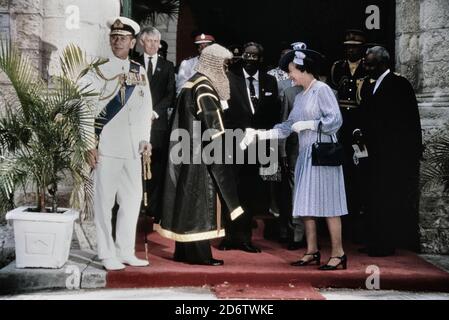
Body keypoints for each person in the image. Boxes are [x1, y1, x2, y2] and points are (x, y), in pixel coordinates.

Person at [242, 45, 348, 270]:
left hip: (322, 154)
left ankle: (338, 253)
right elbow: (288, 126)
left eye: (291, 70)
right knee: (306, 205)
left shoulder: (322, 90)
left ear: (304, 69)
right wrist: (261, 134)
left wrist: (311, 124)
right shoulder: (300, 96)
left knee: (329, 205)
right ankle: (311, 251)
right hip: (305, 155)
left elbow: (335, 121)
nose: (289, 75)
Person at [155, 44, 244, 266]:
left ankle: (184, 252)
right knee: (201, 205)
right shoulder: (204, 87)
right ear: (214, 64)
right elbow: (213, 127)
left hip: (186, 152)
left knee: (186, 203)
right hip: (200, 156)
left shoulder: (191, 82)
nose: (225, 71)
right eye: (223, 65)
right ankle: (200, 255)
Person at [82, 17, 153, 271]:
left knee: (132, 200)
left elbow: (146, 108)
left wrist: (146, 139)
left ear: (133, 42)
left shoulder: (139, 70)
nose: (117, 41)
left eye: (123, 38)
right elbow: (85, 109)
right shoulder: (97, 69)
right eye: (114, 37)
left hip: (133, 149)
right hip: (107, 147)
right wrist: (89, 143)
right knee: (104, 203)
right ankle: (106, 253)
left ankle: (125, 251)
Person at [357, 46, 423, 256]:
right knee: (372, 196)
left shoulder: (399, 84)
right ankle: (374, 239)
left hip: (392, 155)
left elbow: (410, 121)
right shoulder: (369, 86)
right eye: (366, 63)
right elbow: (366, 116)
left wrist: (409, 153)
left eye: (370, 63)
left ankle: (386, 243)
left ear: (383, 63)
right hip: (372, 153)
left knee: (388, 198)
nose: (366, 67)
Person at [219, 42, 280, 253]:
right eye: (247, 55)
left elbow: (274, 114)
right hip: (234, 142)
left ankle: (245, 238)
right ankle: (229, 237)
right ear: (241, 57)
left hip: (258, 145)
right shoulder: (229, 78)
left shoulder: (270, 81)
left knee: (250, 192)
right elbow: (224, 113)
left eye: (255, 56)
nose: (250, 59)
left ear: (261, 59)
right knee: (231, 190)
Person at [329, 29, 369, 244]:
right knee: (341, 174)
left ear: (362, 49)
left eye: (354, 46)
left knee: (360, 175)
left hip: (359, 127)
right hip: (342, 127)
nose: (350, 49)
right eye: (348, 46)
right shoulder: (338, 67)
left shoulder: (367, 66)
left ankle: (358, 226)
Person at [136, 27, 176, 221]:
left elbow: (170, 94)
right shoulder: (133, 64)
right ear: (142, 43)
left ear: (159, 43)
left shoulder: (167, 66)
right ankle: (136, 204)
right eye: (148, 41)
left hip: (157, 124)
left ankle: (153, 207)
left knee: (156, 166)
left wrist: (153, 112)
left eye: (155, 41)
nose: (152, 45)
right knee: (136, 164)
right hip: (135, 123)